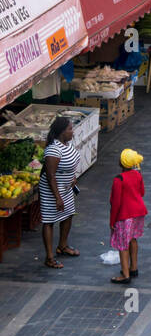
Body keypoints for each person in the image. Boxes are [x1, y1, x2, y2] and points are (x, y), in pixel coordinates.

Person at [39, 114, 82, 269]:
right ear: (62, 132)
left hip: (66, 187)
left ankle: (62, 246)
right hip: (52, 190)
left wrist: (73, 177)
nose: (73, 132)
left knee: (68, 214)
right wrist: (57, 197)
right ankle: (49, 257)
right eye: (70, 129)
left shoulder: (66, 144)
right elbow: (51, 176)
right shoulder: (53, 150)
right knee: (49, 220)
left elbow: (68, 165)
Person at [109, 149, 147, 285]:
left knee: (122, 244)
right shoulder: (138, 175)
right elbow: (142, 192)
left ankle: (125, 275)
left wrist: (112, 221)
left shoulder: (118, 180)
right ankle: (133, 268)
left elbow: (116, 203)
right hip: (139, 213)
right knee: (133, 239)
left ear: (122, 163)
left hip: (125, 215)